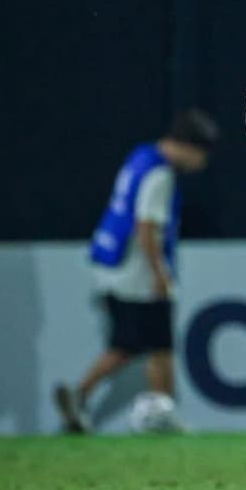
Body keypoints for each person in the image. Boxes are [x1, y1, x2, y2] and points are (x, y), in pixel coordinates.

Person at [54, 109, 218, 434]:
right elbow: (146, 227)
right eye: (202, 155)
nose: (201, 164)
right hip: (138, 272)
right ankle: (161, 413)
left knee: (131, 344)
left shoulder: (141, 156)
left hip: (114, 264)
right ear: (188, 146)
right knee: (158, 344)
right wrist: (160, 274)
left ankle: (80, 395)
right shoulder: (161, 175)